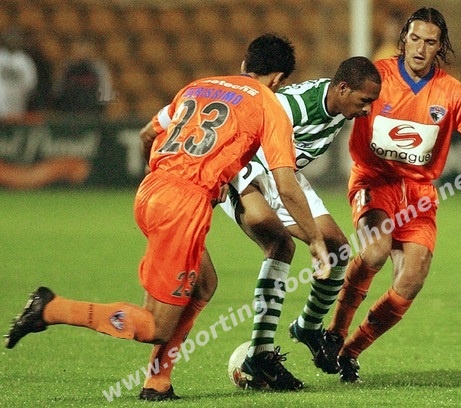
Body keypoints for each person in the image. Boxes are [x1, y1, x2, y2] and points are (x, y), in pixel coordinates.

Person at [4, 34, 331, 401]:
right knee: (155, 326)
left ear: (244, 65)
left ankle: (157, 383)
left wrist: (166, 172)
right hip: (183, 207)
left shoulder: (200, 86)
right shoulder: (270, 105)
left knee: (204, 284)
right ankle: (51, 308)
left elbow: (148, 133)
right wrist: (316, 240)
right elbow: (286, 185)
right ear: (279, 79)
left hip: (152, 190)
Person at [138, 56, 382, 393]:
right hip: (247, 170)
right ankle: (261, 353)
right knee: (279, 243)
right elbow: (241, 132)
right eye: (364, 101)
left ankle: (308, 327)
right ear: (342, 88)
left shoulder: (340, 107)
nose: (367, 109)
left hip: (283, 174)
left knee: (338, 249)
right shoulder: (289, 105)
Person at [321, 7, 461, 383]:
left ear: (440, 46)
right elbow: (339, 98)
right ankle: (335, 330)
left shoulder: (451, 91)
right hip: (374, 181)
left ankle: (350, 352)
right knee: (375, 250)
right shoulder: (377, 77)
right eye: (414, 39)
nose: (420, 48)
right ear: (403, 39)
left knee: (411, 279)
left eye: (430, 42)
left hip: (418, 195)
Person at [52, 36, 114, 116]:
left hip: (93, 112)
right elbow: (57, 91)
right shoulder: (66, 67)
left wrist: (103, 109)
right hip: (68, 112)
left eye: (83, 50)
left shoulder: (99, 68)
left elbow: (106, 92)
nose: (81, 54)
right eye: (77, 51)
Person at [0, 26, 38, 121]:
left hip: (17, 100)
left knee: (15, 122)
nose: (12, 40)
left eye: (15, 38)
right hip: (1, 98)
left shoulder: (25, 60)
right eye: (10, 37)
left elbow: (30, 84)